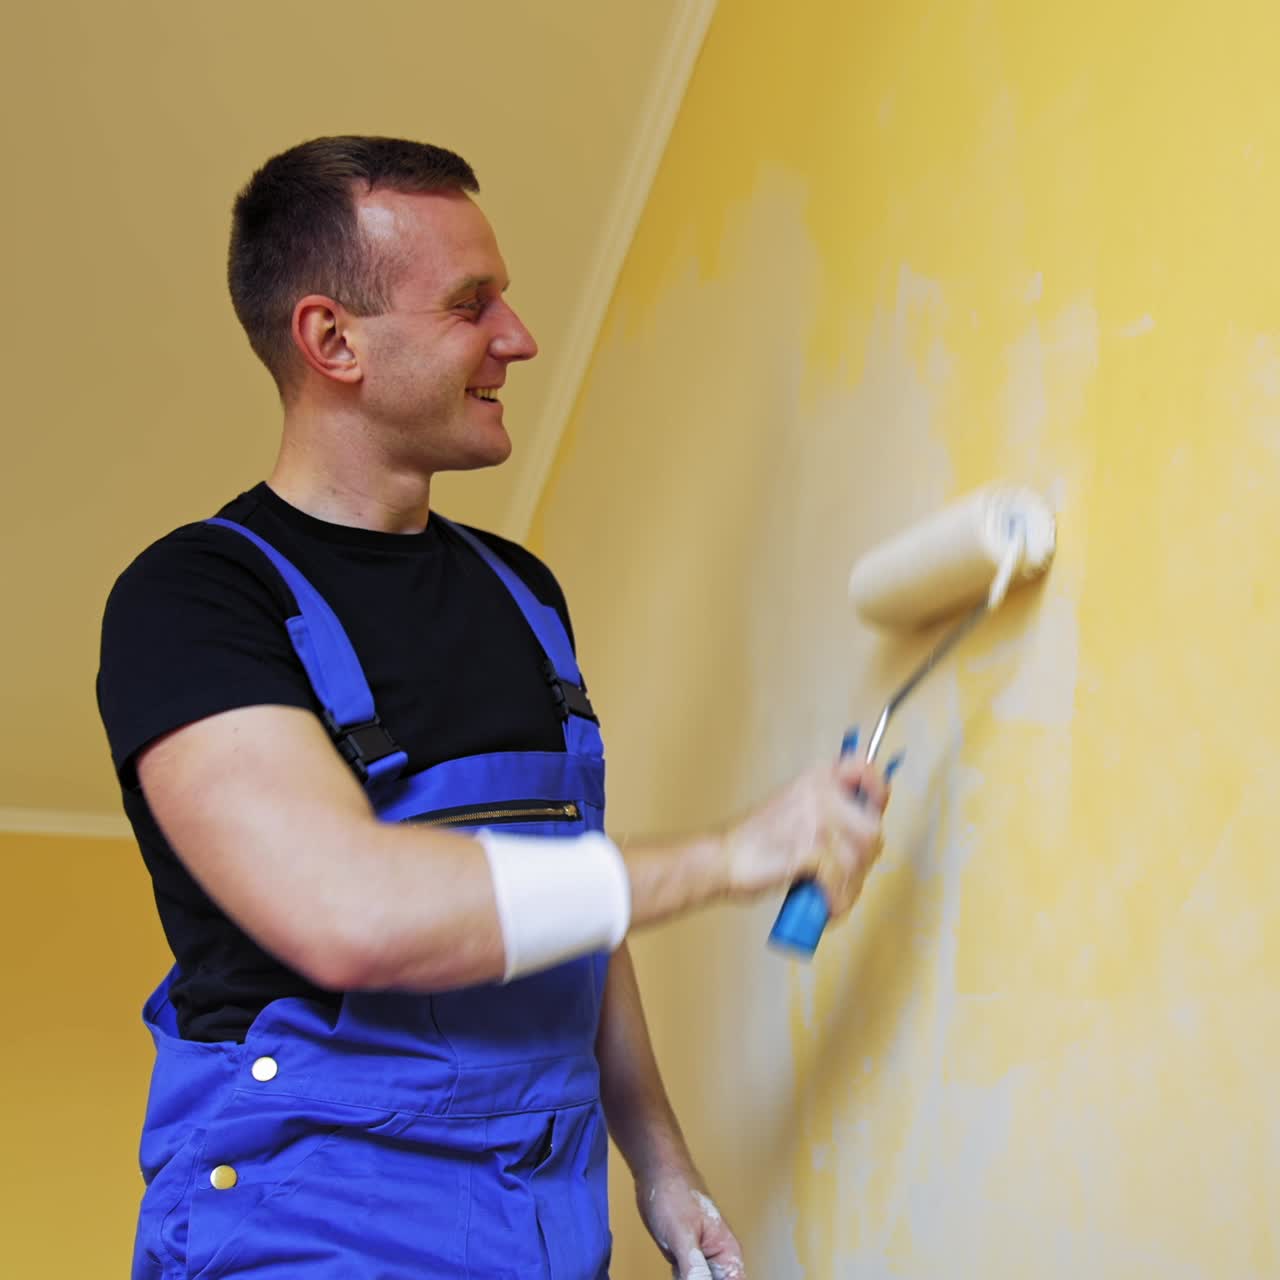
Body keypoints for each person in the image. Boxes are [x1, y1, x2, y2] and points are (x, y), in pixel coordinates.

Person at [97, 136, 889, 1280]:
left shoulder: (523, 595)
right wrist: (733, 853)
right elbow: (344, 909)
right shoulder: (197, 599)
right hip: (309, 1220)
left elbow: (567, 897)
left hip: (544, 1220)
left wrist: (659, 1165)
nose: (516, 336)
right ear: (332, 341)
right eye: (473, 305)